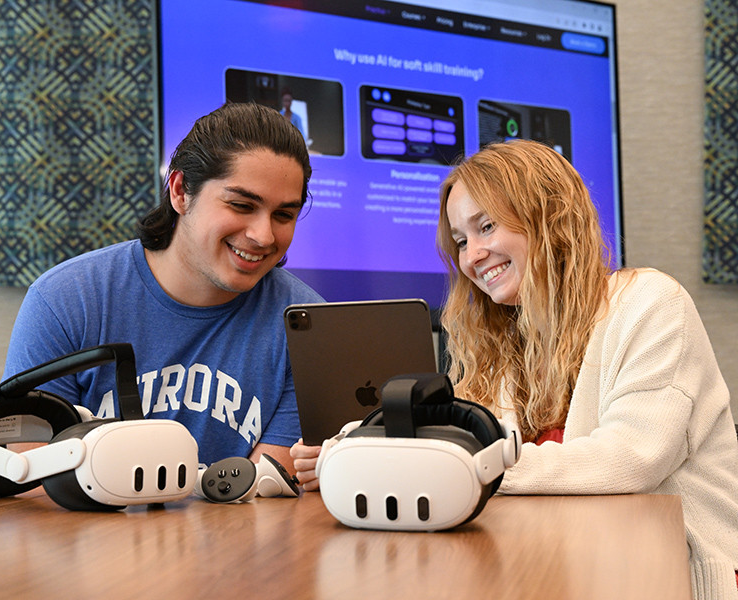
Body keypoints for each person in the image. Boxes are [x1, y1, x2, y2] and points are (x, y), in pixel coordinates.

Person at [292, 139, 738, 598]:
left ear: (549, 218)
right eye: (462, 241)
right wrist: (354, 451)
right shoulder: (504, 341)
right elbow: (458, 452)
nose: (471, 257)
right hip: (559, 565)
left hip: (672, 575)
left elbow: (629, 461)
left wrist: (465, 464)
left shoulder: (650, 302)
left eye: (486, 227)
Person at [3, 102, 324, 474]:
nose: (263, 235)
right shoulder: (66, 301)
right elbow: (32, 478)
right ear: (180, 191)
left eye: (284, 215)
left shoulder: (306, 325)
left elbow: (265, 490)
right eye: (241, 205)